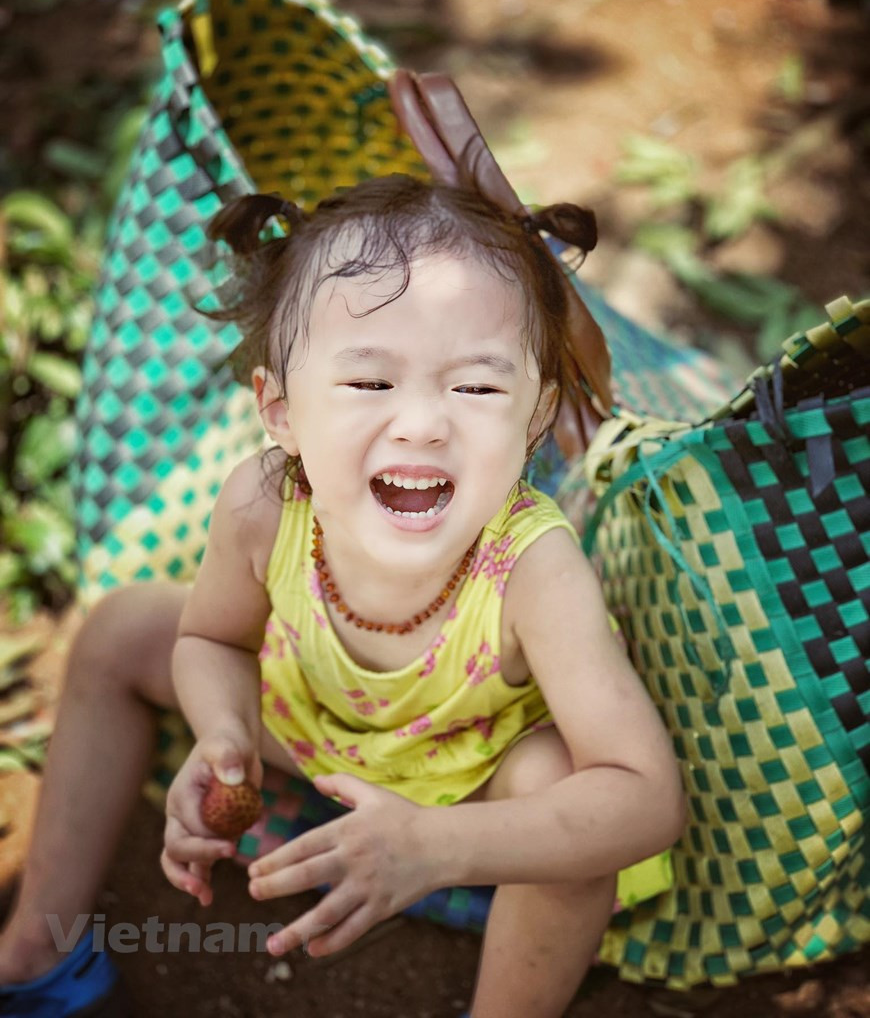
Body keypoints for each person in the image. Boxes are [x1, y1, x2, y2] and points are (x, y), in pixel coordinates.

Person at [0, 174, 685, 1018]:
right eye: (369, 383)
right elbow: (212, 641)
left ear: (536, 417)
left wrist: (435, 845)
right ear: (281, 411)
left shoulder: (534, 570)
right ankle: (37, 941)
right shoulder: (261, 503)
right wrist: (225, 734)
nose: (423, 424)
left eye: (476, 388)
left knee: (570, 802)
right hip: (309, 715)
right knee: (119, 628)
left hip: (474, 775)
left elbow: (646, 795)